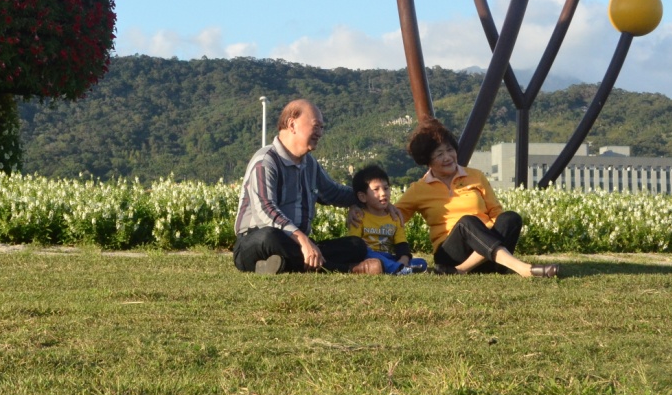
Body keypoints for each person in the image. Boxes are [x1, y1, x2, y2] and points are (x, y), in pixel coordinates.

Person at [392, 117, 559, 278]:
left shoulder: (476, 176)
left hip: (486, 255)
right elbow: (393, 218)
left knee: (510, 218)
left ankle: (463, 270)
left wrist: (485, 238)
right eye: (439, 154)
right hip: (451, 255)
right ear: (427, 160)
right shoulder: (419, 189)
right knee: (467, 222)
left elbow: (495, 212)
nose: (448, 157)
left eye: (450, 150)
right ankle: (522, 268)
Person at [233, 99, 370, 274]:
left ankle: (281, 265)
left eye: (322, 128)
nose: (320, 133)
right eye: (316, 126)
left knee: (356, 246)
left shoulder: (310, 164)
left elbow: (333, 193)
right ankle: (347, 269)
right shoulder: (265, 161)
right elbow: (266, 211)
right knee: (270, 237)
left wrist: (364, 199)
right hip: (256, 241)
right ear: (292, 124)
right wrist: (304, 240)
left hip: (294, 245)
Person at [347, 163, 428, 275]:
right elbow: (354, 245)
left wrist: (403, 260)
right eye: (376, 189)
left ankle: (398, 267)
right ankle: (397, 269)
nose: (383, 193)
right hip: (369, 257)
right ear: (362, 196)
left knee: (422, 262)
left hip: (389, 257)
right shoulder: (359, 216)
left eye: (386, 188)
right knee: (369, 253)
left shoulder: (394, 216)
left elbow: (401, 244)